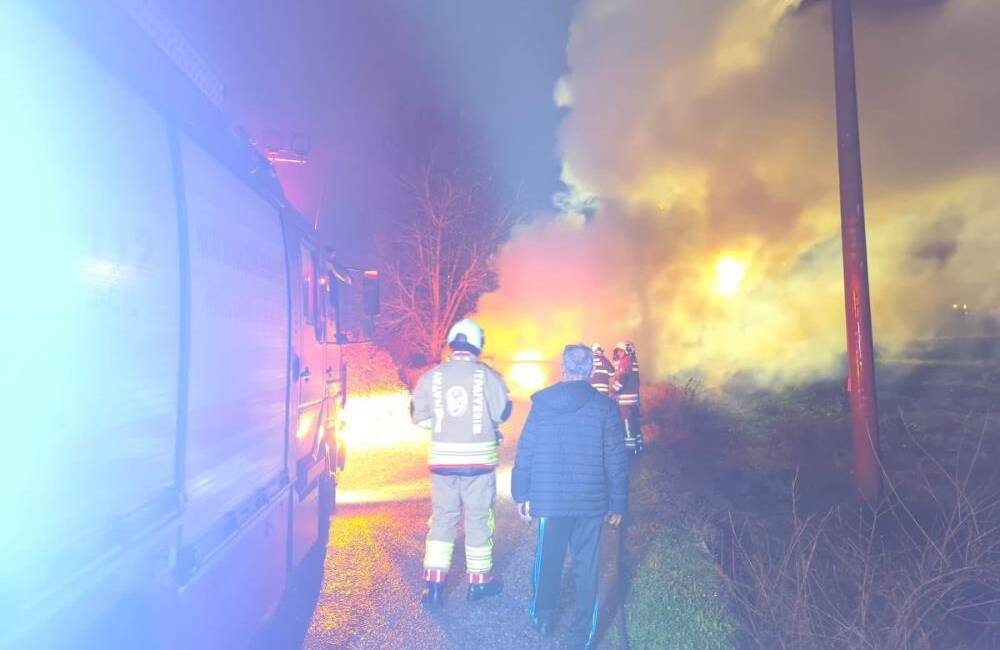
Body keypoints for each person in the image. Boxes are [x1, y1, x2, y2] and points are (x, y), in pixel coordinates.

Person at [511, 344, 629, 647]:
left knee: (547, 559)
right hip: (590, 503)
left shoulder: (543, 403)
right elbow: (616, 459)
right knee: (587, 567)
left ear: (563, 368)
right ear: (590, 371)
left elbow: (527, 449)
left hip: (550, 501)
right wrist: (617, 502)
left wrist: (521, 493)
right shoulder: (605, 408)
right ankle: (581, 636)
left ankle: (543, 617)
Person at [410, 318, 512, 609]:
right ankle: (479, 583)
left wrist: (444, 425)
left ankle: (434, 586)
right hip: (478, 466)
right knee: (478, 520)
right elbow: (503, 412)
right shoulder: (487, 376)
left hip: (442, 464)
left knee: (443, 520)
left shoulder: (433, 376)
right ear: (478, 345)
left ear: (453, 345)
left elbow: (419, 416)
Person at [611, 341, 643, 454]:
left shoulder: (626, 362)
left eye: (620, 351)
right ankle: (638, 447)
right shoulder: (633, 361)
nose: (618, 353)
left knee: (627, 424)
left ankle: (630, 450)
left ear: (627, 351)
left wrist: (612, 391)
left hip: (625, 402)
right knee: (635, 423)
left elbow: (622, 378)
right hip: (633, 401)